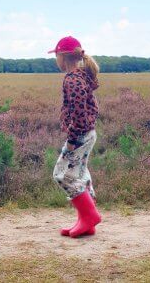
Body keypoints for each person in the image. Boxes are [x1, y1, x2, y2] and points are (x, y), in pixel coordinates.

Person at [48, 36, 102, 238]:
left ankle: (90, 216)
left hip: (80, 135)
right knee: (80, 174)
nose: (56, 60)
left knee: (62, 174)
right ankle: (85, 221)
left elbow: (79, 114)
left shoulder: (73, 79)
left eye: (56, 55)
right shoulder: (82, 77)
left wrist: (72, 140)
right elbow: (92, 108)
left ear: (63, 57)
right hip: (87, 133)